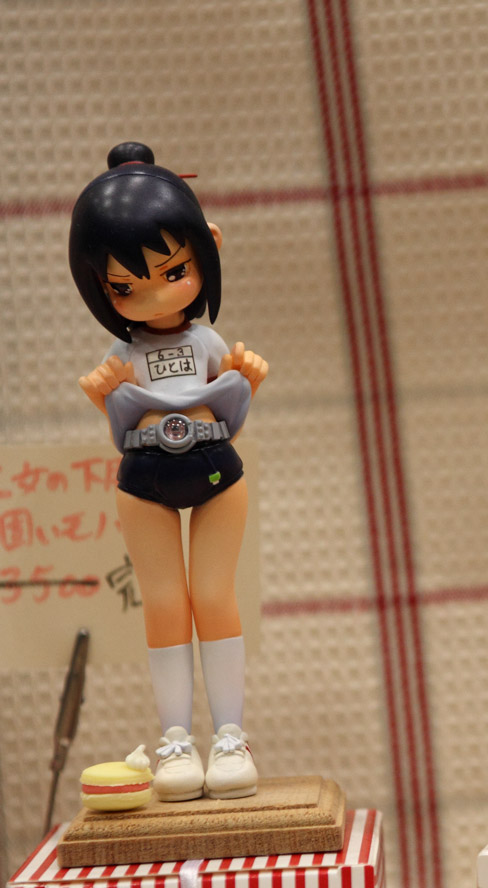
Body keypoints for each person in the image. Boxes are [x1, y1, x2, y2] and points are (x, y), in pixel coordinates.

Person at [70, 142, 269, 800]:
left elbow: (231, 414)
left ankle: (231, 735)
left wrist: (244, 380)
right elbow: (122, 426)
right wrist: (104, 396)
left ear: (208, 248)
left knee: (213, 596)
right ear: (99, 287)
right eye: (125, 286)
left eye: (173, 270)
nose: (153, 294)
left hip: (215, 469)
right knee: (164, 603)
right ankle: (176, 740)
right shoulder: (121, 354)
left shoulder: (207, 343)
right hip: (144, 477)